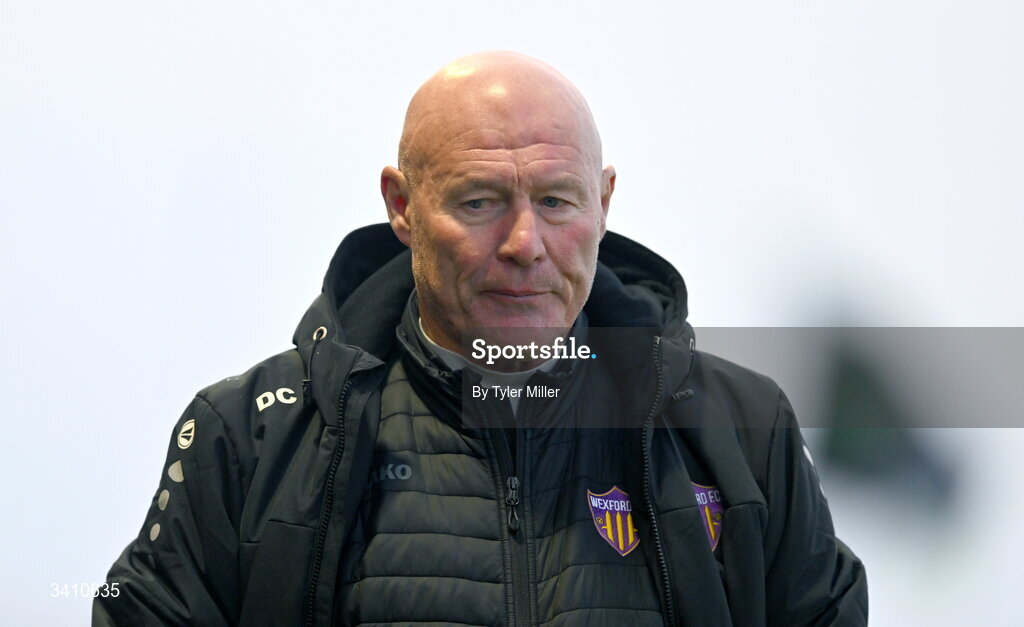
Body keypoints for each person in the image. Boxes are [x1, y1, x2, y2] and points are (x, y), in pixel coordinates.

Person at [95, 51, 867, 626]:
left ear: (604, 202)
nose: (525, 242)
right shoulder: (253, 438)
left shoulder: (742, 429)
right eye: (479, 201)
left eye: (558, 201)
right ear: (402, 205)